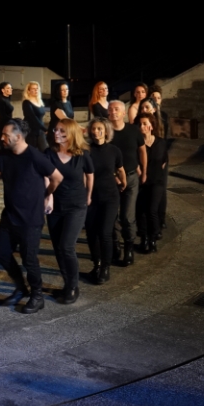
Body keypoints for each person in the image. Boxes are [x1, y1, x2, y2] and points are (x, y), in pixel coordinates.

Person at [0, 119, 63, 314]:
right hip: (10, 215)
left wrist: (47, 195)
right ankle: (21, 288)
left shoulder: (35, 156)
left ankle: (37, 296)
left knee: (29, 260)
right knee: (2, 252)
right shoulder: (4, 153)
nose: (1, 138)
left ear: (18, 137)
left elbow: (57, 177)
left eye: (5, 135)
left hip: (31, 219)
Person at [44, 119, 93, 304]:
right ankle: (67, 283)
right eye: (56, 130)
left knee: (66, 246)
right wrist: (48, 195)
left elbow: (90, 174)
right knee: (58, 247)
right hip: (56, 207)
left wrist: (89, 195)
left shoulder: (82, 154)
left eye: (61, 131)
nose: (56, 133)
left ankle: (73, 286)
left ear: (71, 133)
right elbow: (45, 176)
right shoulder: (49, 153)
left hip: (76, 206)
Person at [84, 118, 125, 285]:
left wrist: (123, 182)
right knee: (91, 232)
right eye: (93, 129)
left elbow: (120, 169)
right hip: (91, 197)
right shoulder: (86, 150)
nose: (96, 132)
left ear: (106, 131)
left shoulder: (114, 150)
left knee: (105, 232)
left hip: (110, 197)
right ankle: (97, 264)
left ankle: (106, 268)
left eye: (99, 129)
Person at [108, 100, 147, 267]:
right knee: (112, 216)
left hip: (131, 178)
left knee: (127, 216)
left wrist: (144, 171)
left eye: (117, 109)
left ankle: (129, 248)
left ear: (124, 113)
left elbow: (142, 150)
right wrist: (114, 176)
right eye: (110, 109)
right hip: (112, 180)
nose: (113, 112)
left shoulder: (133, 130)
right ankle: (115, 245)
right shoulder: (106, 133)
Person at [135, 113, 168, 254]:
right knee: (141, 211)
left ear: (151, 126)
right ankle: (144, 239)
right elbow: (134, 161)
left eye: (145, 123)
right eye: (140, 124)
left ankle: (153, 238)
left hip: (157, 181)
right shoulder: (136, 143)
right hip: (141, 181)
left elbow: (164, 161)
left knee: (152, 209)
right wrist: (141, 174)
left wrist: (155, 173)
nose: (142, 126)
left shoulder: (161, 142)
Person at [149, 85, 170, 237]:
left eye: (158, 98)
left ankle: (161, 218)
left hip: (161, 154)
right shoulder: (146, 118)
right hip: (149, 155)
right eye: (153, 98)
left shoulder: (164, 116)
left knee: (161, 188)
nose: (156, 100)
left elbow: (164, 139)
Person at [21, 81, 48, 151]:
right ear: (28, 91)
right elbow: (33, 118)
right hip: (31, 131)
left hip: (39, 130)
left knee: (44, 150)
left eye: (37, 88)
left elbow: (40, 118)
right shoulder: (26, 103)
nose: (36, 90)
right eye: (33, 88)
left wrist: (42, 129)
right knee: (31, 151)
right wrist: (44, 129)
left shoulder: (40, 102)